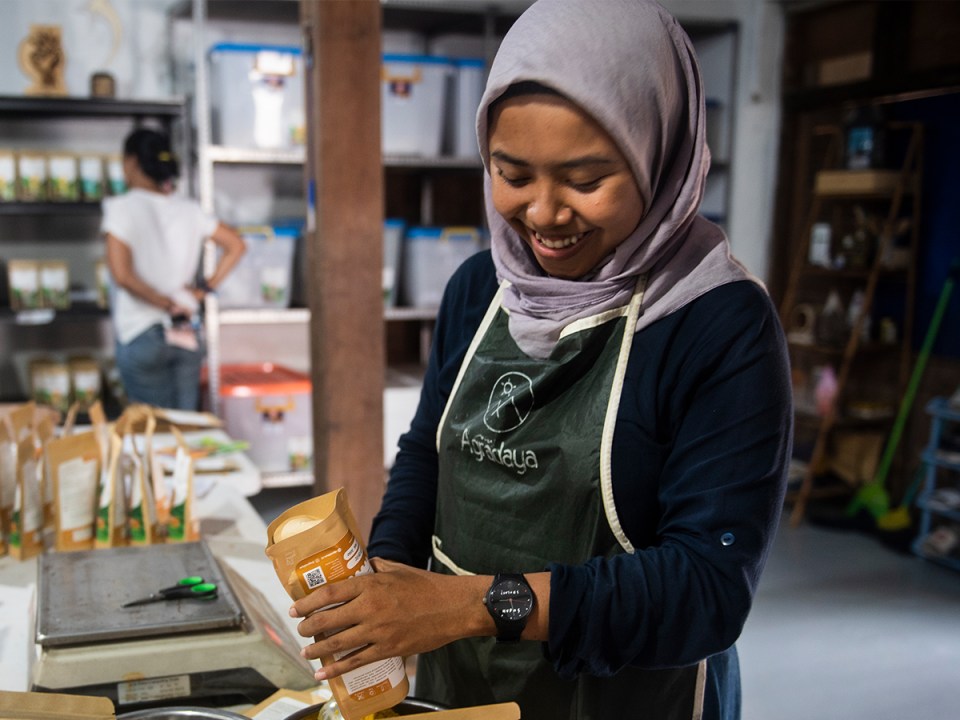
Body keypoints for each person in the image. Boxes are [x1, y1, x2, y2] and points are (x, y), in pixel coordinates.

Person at [288, 1, 792, 718]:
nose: (545, 215)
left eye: (586, 181)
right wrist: (391, 583)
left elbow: (705, 593)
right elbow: (429, 454)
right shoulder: (480, 289)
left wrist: (470, 604)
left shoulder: (718, 326)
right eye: (512, 173)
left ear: (659, 154)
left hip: (629, 699)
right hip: (463, 689)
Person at [102, 128, 245, 410]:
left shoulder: (121, 208)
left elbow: (122, 276)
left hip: (141, 331)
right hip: (186, 330)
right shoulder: (189, 209)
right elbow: (236, 246)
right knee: (185, 427)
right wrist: (202, 291)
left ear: (131, 163)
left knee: (154, 432)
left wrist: (163, 303)